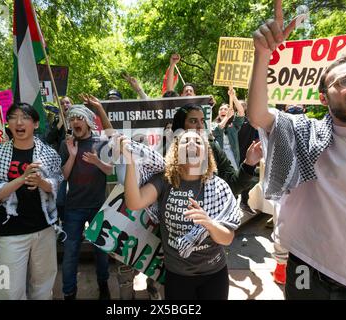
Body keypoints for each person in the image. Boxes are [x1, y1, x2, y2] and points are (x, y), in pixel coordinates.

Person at [248, 1, 346, 299]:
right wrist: (263, 54)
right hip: (309, 268)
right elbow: (258, 115)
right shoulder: (303, 132)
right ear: (323, 99)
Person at [120, 129, 240, 299]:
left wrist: (209, 223)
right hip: (177, 275)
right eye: (185, 142)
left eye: (198, 142)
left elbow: (227, 239)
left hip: (214, 273)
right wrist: (130, 161)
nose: (191, 144)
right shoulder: (165, 181)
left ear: (206, 153)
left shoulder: (219, 187)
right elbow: (134, 202)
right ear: (176, 151)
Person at [0, 102, 62, 300]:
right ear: (7, 123)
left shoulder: (49, 154)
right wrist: (21, 179)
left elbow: (57, 183)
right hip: (8, 233)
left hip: (44, 231)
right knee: (7, 289)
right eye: (13, 117)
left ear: (35, 123)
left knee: (43, 286)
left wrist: (42, 182)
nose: (19, 122)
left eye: (25, 117)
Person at [59, 102, 113, 300]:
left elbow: (110, 170)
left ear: (88, 121)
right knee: (70, 253)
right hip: (73, 208)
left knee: (101, 250)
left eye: (79, 118)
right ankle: (69, 293)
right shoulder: (67, 144)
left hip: (98, 206)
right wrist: (72, 155)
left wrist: (97, 161)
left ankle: (103, 285)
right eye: (72, 119)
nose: (75, 122)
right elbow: (63, 176)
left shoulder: (101, 142)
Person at [172, 104, 261, 196]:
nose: (200, 126)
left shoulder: (212, 147)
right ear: (180, 125)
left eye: (202, 121)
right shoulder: (167, 152)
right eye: (193, 121)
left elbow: (234, 185)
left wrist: (249, 163)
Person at [212, 88, 246, 170]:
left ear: (231, 112)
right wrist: (227, 117)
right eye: (221, 109)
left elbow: (241, 112)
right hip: (219, 158)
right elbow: (216, 130)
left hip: (232, 157)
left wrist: (233, 96)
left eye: (225, 109)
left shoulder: (233, 125)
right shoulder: (213, 125)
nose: (223, 110)